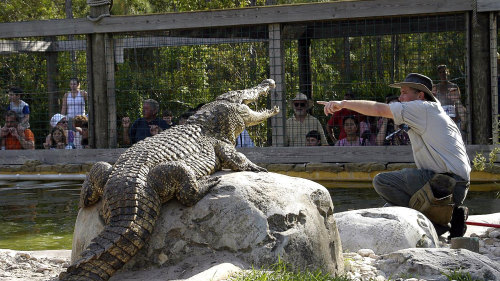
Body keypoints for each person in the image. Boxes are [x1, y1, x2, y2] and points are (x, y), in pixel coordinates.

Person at [319, 73, 471, 239]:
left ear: (420, 95)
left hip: (446, 184)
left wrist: (343, 104)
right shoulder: (433, 112)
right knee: (389, 206)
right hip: (454, 186)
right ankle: (453, 215)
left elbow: (378, 109)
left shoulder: (422, 107)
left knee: (382, 182)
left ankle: (437, 224)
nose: (400, 97)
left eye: (405, 92)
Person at [432, 65, 466, 133]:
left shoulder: (454, 86)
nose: (443, 74)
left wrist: (457, 115)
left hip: (452, 115)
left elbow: (457, 102)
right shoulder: (436, 87)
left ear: (447, 72)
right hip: (440, 115)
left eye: (444, 72)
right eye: (440, 72)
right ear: (438, 74)